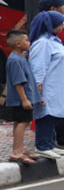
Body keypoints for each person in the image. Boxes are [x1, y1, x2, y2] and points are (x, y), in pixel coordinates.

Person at [27, 11, 64, 160]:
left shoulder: (53, 41)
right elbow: (38, 66)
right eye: (60, 23)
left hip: (58, 85)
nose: (62, 26)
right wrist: (38, 84)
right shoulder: (42, 43)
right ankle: (42, 145)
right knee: (46, 114)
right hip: (48, 86)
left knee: (54, 114)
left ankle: (50, 143)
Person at [3, 30, 39, 165]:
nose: (29, 42)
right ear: (18, 44)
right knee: (22, 123)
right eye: (27, 40)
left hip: (24, 98)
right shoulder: (14, 60)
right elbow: (18, 82)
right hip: (21, 99)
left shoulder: (20, 58)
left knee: (21, 122)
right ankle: (17, 152)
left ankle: (20, 149)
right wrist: (24, 100)